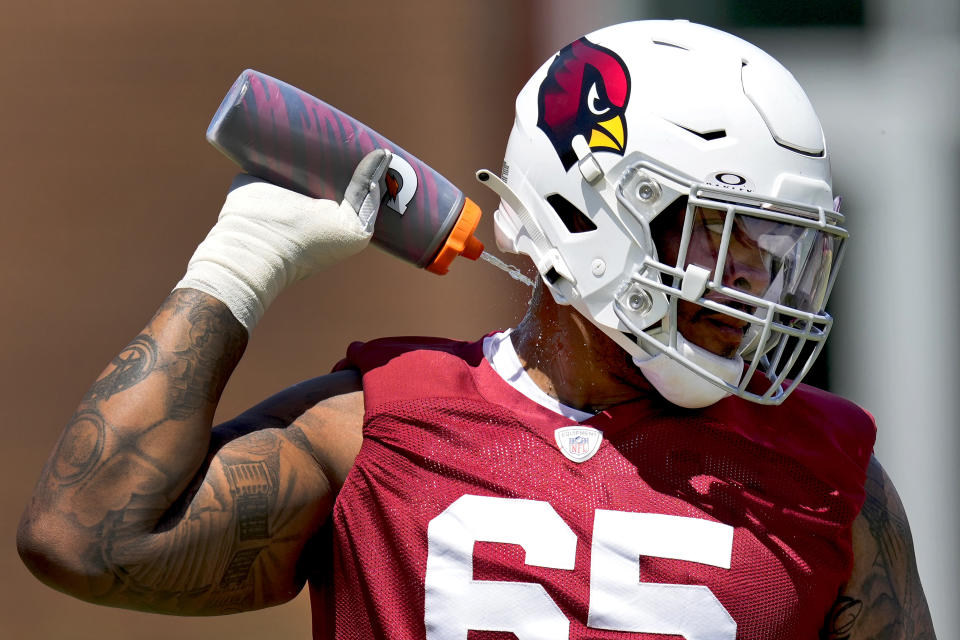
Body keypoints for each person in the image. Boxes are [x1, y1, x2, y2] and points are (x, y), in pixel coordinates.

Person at [17, 20, 935, 639]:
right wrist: (236, 264)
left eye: (771, 247)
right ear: (590, 215)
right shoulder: (381, 424)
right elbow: (88, 537)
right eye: (716, 232)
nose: (751, 278)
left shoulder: (829, 480)